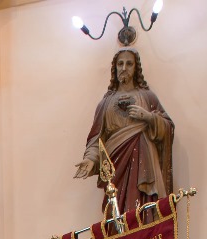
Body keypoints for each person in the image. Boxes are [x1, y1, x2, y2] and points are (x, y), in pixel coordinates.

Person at [74, 47, 174, 215]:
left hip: (144, 162)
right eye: (120, 64)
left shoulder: (148, 97)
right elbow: (96, 139)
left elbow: (168, 127)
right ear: (115, 68)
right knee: (117, 211)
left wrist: (149, 117)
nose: (124, 68)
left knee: (143, 209)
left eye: (129, 64)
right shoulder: (105, 104)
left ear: (136, 68)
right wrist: (90, 159)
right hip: (116, 165)